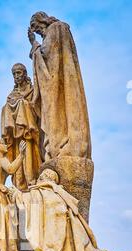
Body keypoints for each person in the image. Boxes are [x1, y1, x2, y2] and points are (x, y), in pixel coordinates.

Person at [22, 169, 132, 251]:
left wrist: (17, 195)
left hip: (71, 234)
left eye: (42, 175)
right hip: (67, 233)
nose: (39, 178)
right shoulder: (52, 192)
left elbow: (47, 206)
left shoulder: (47, 192)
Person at [28, 12, 92, 162]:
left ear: (41, 20)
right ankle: (57, 146)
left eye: (34, 26)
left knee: (59, 112)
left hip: (57, 84)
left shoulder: (56, 29)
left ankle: (62, 144)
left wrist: (34, 44)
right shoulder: (57, 30)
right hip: (56, 82)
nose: (34, 30)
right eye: (32, 28)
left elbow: (47, 56)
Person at [1, 63, 42, 190]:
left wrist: (23, 104)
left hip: (29, 131)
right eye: (14, 74)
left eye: (18, 73)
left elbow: (39, 107)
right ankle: (19, 184)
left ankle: (32, 180)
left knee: (29, 155)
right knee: (5, 107)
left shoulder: (33, 90)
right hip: (15, 135)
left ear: (24, 73)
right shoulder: (12, 95)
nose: (16, 76)